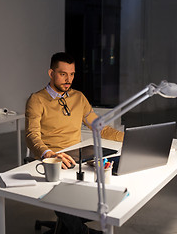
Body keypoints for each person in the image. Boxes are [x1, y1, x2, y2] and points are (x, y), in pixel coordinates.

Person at [25, 52, 124, 233]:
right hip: (52, 160)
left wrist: (128, 138)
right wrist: (50, 155)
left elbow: (100, 127)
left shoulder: (78, 97)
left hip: (79, 157)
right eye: (63, 74)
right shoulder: (37, 100)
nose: (68, 79)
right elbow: (31, 136)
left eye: (72, 74)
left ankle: (70, 225)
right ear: (51, 73)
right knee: (67, 199)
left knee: (114, 181)